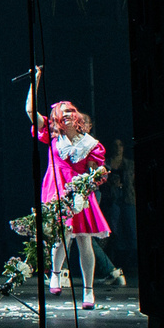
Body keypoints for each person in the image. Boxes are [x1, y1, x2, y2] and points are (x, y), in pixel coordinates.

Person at [24, 68, 111, 309]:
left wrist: (94, 179)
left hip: (79, 193)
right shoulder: (52, 136)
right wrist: (35, 80)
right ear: (58, 118)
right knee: (61, 235)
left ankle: (88, 292)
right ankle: (56, 273)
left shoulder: (91, 144)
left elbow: (93, 172)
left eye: (72, 111)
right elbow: (30, 111)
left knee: (84, 242)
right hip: (56, 188)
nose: (69, 114)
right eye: (65, 112)